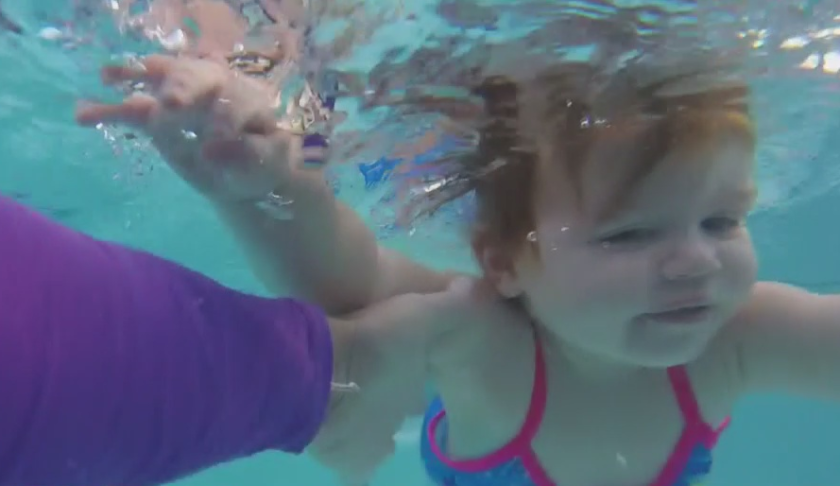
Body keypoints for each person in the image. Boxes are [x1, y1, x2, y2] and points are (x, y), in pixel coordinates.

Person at [79, 46, 840, 486]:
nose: (697, 260)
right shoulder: (493, 339)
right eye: (628, 236)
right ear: (506, 260)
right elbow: (349, 282)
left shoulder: (735, 336)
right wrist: (263, 183)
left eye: (723, 220)